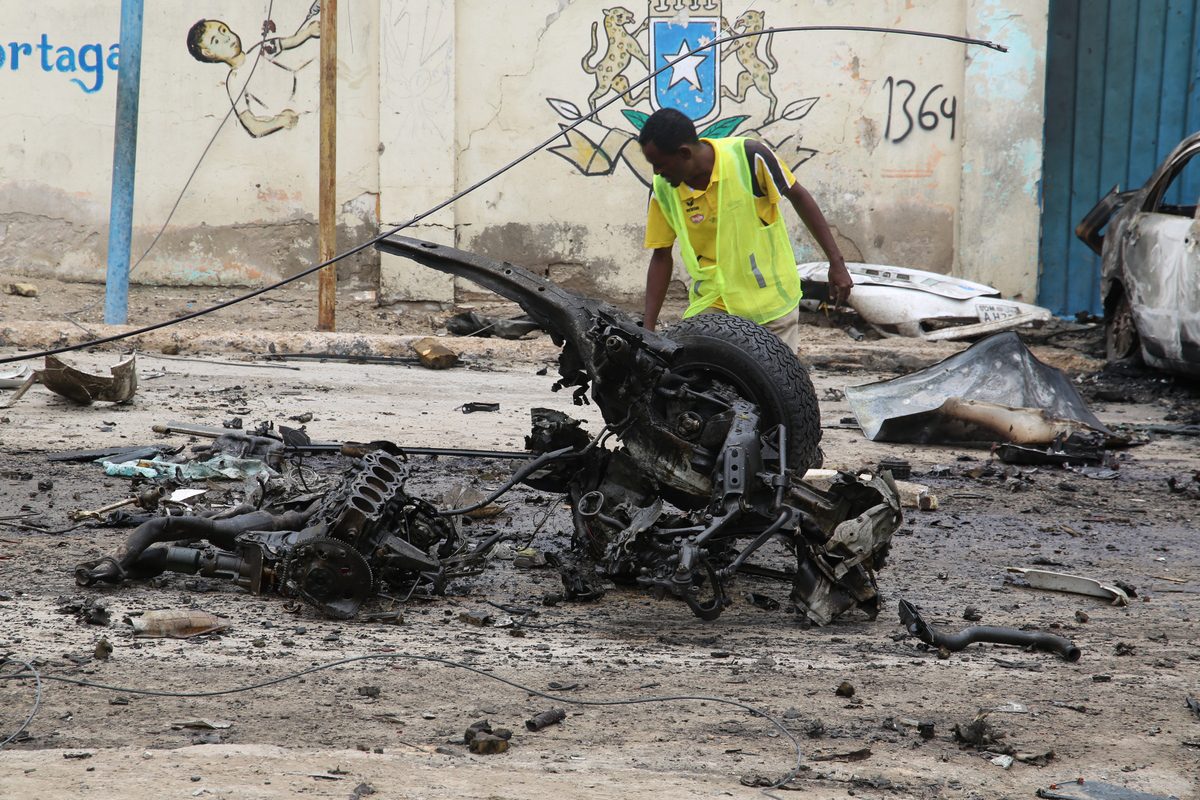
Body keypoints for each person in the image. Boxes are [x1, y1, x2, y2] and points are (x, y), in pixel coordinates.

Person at [638, 107, 853, 350]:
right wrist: (648, 330)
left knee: (777, 385)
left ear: (684, 153)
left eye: (660, 164)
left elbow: (799, 197)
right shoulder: (663, 188)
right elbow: (661, 256)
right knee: (699, 379)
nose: (656, 172)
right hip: (713, 302)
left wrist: (837, 263)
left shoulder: (750, 156)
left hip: (771, 303)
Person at [186, 16, 320, 138]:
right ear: (208, 53)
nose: (226, 38)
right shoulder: (235, 81)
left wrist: (309, 31)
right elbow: (252, 125)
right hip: (290, 110)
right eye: (216, 41)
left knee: (327, 64)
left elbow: (291, 41)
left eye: (224, 30)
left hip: (303, 82)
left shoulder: (258, 51)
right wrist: (278, 122)